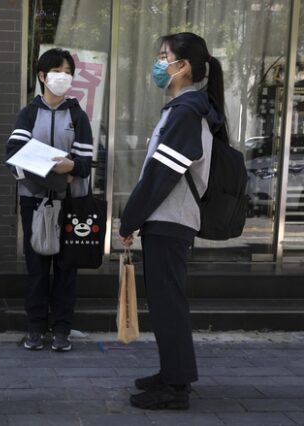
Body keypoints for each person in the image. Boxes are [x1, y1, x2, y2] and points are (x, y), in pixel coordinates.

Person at [118, 32, 227, 410]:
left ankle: (177, 386)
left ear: (184, 67)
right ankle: (171, 373)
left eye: (165, 56)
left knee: (169, 305)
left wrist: (129, 218)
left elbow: (161, 175)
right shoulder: (183, 109)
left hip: (170, 219)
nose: (159, 63)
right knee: (165, 303)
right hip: (167, 219)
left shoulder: (186, 111)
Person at [6, 48, 93, 352]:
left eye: (68, 71)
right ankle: (35, 327)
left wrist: (70, 171)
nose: (63, 76)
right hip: (35, 202)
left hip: (72, 203)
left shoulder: (78, 115)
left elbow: (85, 161)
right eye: (57, 70)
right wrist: (56, 174)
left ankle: (62, 329)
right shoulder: (28, 113)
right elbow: (15, 157)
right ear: (42, 76)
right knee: (37, 266)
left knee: (67, 268)